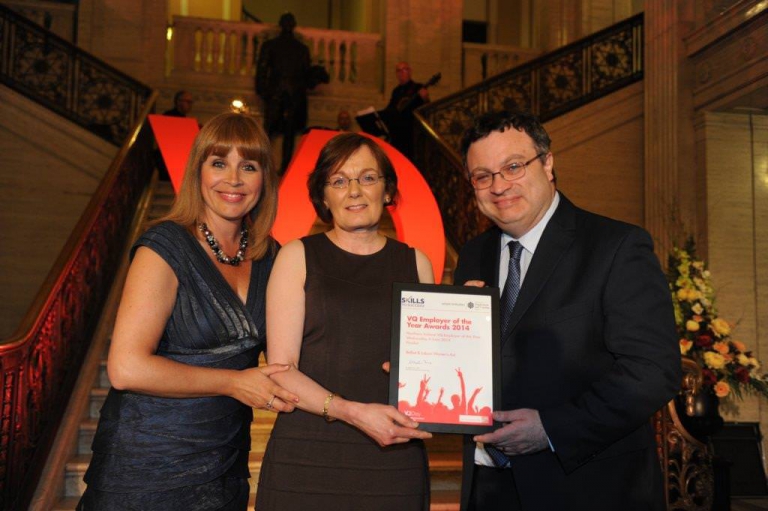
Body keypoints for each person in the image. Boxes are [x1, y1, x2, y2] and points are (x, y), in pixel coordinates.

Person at [453, 110, 682, 511]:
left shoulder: (616, 246)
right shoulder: (472, 256)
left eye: (513, 166)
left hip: (588, 486)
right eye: (483, 175)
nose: (499, 185)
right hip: (488, 487)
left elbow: (653, 371)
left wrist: (551, 429)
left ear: (548, 163)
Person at [77, 113, 298, 511]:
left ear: (264, 179)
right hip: (145, 463)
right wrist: (233, 383)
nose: (233, 179)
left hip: (224, 464)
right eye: (218, 163)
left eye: (248, 166)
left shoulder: (272, 256)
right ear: (197, 172)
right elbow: (126, 368)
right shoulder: (164, 246)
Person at [256, 133, 434, 510]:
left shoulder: (416, 263)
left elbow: (429, 365)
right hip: (308, 455)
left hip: (393, 456)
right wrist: (352, 412)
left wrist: (470, 318)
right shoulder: (297, 256)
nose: (354, 190)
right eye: (339, 181)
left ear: (387, 190)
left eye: (368, 178)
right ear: (324, 197)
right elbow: (279, 369)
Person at [256, 12, 311, 173]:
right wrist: (262, 90)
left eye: (290, 22)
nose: (287, 25)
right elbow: (262, 69)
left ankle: (285, 168)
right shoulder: (270, 45)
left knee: (289, 132)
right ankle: (263, 163)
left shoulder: (302, 49)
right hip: (275, 92)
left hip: (293, 94)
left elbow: (305, 73)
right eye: (285, 22)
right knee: (269, 129)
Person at [382, 61, 429, 160]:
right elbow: (391, 108)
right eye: (398, 70)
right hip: (397, 134)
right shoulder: (396, 91)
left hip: (411, 133)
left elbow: (426, 108)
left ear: (410, 71)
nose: (401, 73)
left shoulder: (417, 87)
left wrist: (425, 98)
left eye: (404, 69)